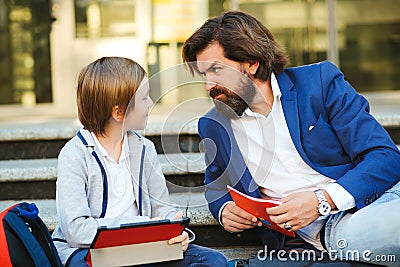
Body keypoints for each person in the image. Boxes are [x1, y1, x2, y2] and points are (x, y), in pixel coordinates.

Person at [182, 11, 400, 266]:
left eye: (216, 70)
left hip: (364, 209)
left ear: (251, 63)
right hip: (301, 242)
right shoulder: (214, 125)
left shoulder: (319, 83)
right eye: (204, 74)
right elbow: (216, 186)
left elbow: (385, 157)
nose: (209, 85)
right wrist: (224, 210)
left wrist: (322, 200)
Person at [51, 56, 228, 267]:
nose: (151, 103)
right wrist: (138, 227)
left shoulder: (145, 148)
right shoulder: (74, 155)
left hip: (143, 248)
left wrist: (177, 231)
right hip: (90, 251)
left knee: (214, 261)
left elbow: (162, 208)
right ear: (119, 113)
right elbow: (76, 230)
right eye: (144, 98)